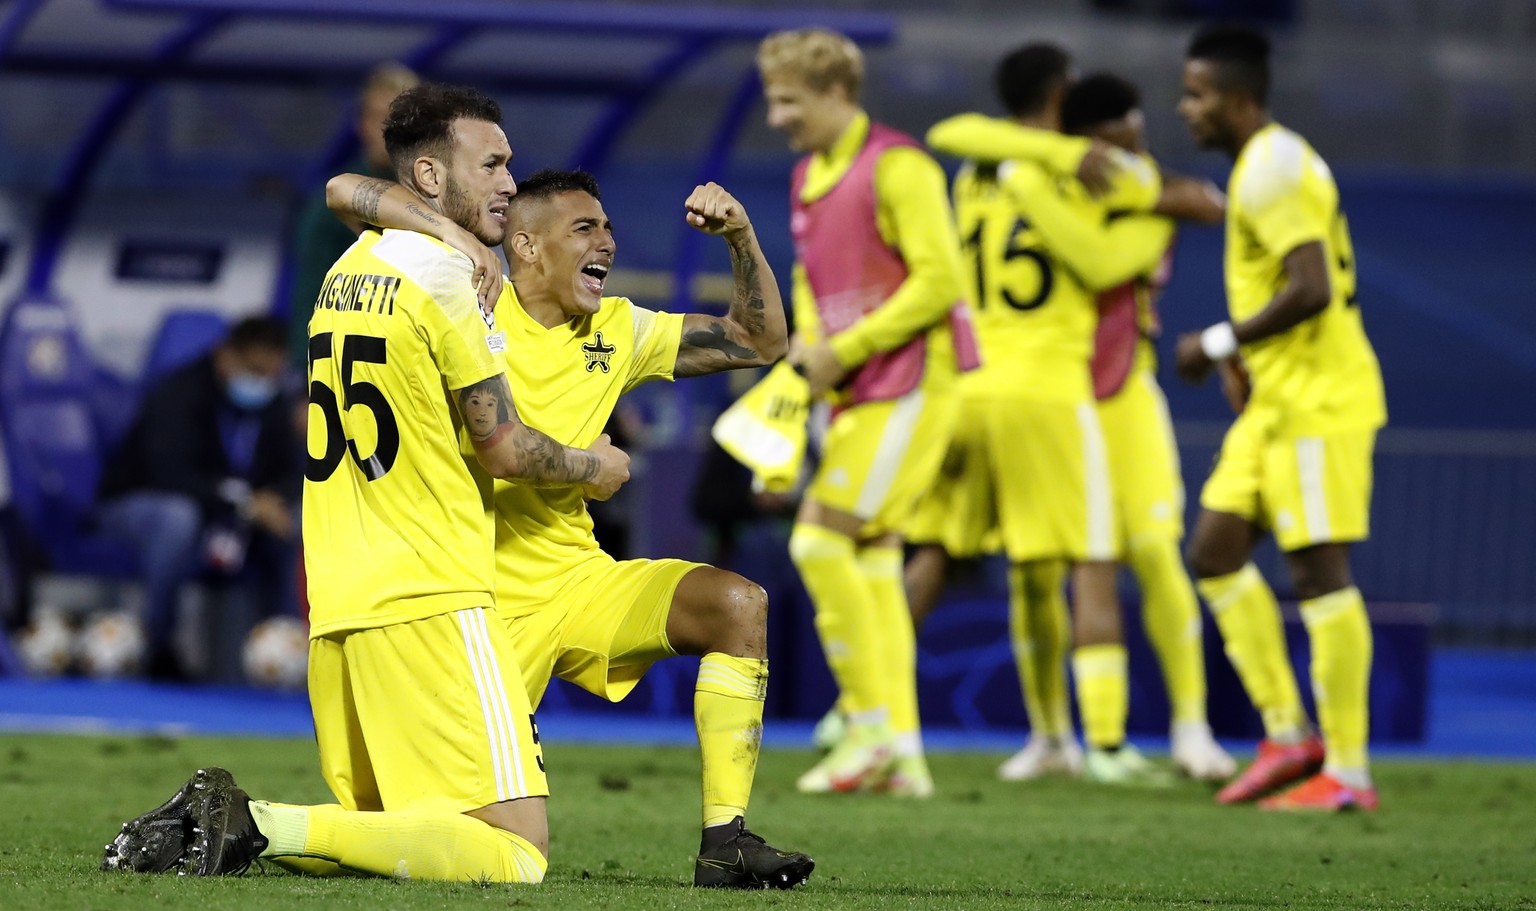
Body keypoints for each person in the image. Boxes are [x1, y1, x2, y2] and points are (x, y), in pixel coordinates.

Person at [102, 83, 630, 883]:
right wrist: (600, 467)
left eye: (510, 167)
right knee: (514, 852)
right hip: (432, 595)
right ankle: (253, 821)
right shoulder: (453, 279)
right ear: (427, 175)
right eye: (490, 164)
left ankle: (218, 832)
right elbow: (507, 451)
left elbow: (348, 191)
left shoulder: (350, 268)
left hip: (341, 601)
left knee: (395, 838)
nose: (508, 185)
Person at [323, 168, 813, 888]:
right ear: (524, 245)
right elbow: (345, 192)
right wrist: (589, 468)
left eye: (608, 227)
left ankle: (725, 840)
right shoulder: (465, 308)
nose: (607, 241)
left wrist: (741, 237)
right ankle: (258, 829)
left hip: (577, 579)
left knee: (737, 604)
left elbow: (758, 340)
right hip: (472, 602)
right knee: (437, 835)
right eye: (585, 227)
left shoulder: (616, 327)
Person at [911, 43, 1179, 786]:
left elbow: (954, 131)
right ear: (1063, 92)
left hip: (972, 385)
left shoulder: (977, 168)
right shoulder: (1075, 167)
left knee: (994, 564)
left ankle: (1035, 734)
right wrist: (1159, 222)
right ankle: (1110, 742)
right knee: (1090, 561)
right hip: (1054, 388)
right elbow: (1101, 259)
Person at [755, 27, 979, 798]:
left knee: (820, 540)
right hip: (855, 387)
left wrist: (843, 351)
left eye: (787, 100)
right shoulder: (807, 176)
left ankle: (869, 728)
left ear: (835, 92)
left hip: (916, 378)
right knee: (876, 562)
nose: (776, 115)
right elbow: (814, 282)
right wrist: (813, 355)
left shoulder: (900, 165)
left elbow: (941, 281)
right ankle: (904, 758)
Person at [1175, 24, 1385, 811]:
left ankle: (1350, 773)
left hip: (1319, 403)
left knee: (1318, 572)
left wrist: (1214, 341)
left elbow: (1311, 286)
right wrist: (1244, 358)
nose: (1184, 107)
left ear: (1233, 98)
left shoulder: (1273, 171)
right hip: (1274, 400)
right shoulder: (1266, 164)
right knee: (1216, 550)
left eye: (1195, 94)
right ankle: (1289, 732)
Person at [97, 316, 302, 681]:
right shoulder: (177, 392)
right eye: (254, 370)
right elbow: (170, 473)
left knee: (297, 517)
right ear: (225, 356)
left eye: (272, 373)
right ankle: (158, 648)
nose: (263, 382)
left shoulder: (274, 401)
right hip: (139, 506)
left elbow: (294, 468)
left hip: (227, 513)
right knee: (177, 518)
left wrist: (273, 499)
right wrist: (245, 502)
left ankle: (286, 646)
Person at [285, 63, 420, 370]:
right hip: (347, 361)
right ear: (360, 124)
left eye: (400, 116)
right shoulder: (329, 203)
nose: (387, 126)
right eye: (376, 116)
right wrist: (304, 375)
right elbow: (310, 292)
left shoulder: (441, 195)